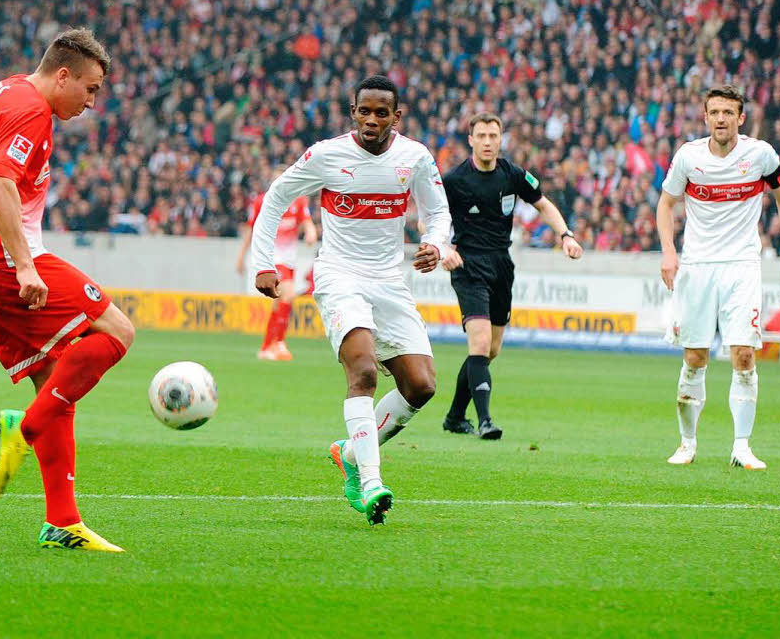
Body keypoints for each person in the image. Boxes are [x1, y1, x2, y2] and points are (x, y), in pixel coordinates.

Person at [0, 28, 135, 552]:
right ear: (62, 75)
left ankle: (63, 522)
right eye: (91, 88)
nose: (92, 101)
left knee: (55, 381)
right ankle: (23, 431)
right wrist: (27, 268)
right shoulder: (32, 109)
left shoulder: (3, 90)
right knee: (117, 330)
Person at [251, 75, 450, 526]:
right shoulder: (327, 154)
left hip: (389, 281)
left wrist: (435, 244)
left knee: (421, 386)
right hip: (339, 275)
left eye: (383, 113)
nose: (372, 120)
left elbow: (437, 212)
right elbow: (277, 195)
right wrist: (263, 263)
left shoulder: (414, 158)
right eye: (365, 111)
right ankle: (372, 480)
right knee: (362, 371)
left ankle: (350, 453)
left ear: (396, 117)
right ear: (353, 112)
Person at [657, 85, 780, 470]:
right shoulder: (688, 157)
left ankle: (742, 447)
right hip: (698, 267)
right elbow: (665, 203)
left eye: (728, 112)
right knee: (695, 357)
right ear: (705, 117)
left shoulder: (760, 155)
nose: (721, 118)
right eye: (714, 112)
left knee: (743, 354)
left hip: (742, 266)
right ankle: (687, 444)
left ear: (741, 118)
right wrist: (669, 252)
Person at [440, 112, 582, 439]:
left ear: (500, 139)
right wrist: (442, 248)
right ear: (471, 140)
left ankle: (454, 416)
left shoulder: (512, 174)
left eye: (493, 135)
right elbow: (430, 216)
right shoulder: (455, 180)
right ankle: (485, 420)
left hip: (501, 265)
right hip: (468, 264)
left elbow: (543, 205)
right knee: (478, 343)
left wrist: (565, 235)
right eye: (482, 136)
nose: (488, 141)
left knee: (489, 350)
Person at [236, 174, 317, 361]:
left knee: (279, 301)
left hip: (289, 260)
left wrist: (311, 233)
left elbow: (307, 222)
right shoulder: (262, 201)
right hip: (271, 258)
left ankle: (266, 347)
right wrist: (241, 257)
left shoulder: (298, 201)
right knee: (288, 294)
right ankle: (279, 343)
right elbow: (251, 229)